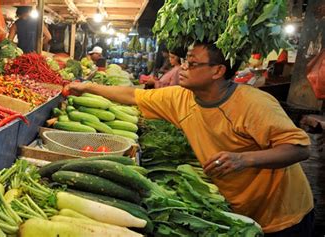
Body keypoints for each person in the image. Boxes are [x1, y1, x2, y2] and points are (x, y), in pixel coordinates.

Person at [65, 41, 314, 236]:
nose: (182, 67)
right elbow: (132, 95)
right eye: (184, 61)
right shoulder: (181, 98)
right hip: (237, 210)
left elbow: (299, 148)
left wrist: (243, 159)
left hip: (283, 216)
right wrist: (88, 87)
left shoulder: (254, 104)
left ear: (217, 71)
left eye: (192, 64)